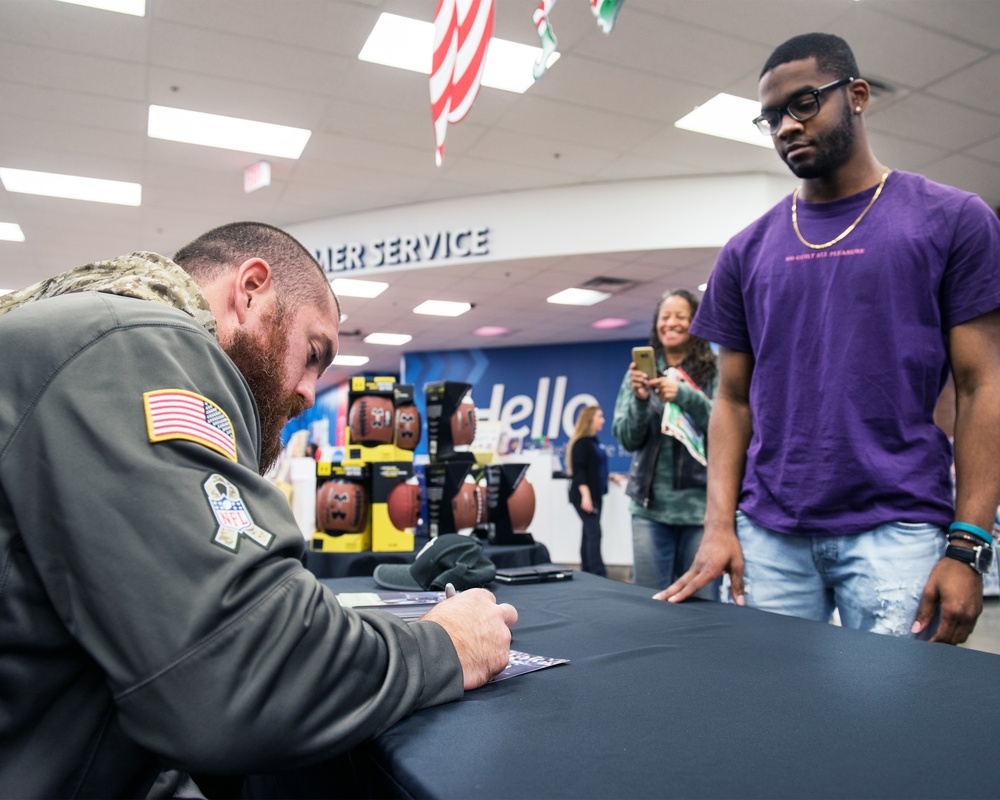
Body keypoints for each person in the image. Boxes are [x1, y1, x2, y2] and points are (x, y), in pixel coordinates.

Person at [0, 221, 517, 798]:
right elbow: (239, 672)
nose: (309, 392)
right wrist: (447, 645)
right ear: (250, 289)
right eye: (314, 352)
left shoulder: (77, 336)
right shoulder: (135, 342)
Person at [658, 33, 1000, 646]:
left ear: (859, 96)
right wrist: (719, 526)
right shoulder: (745, 251)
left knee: (892, 730)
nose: (786, 126)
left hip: (898, 529)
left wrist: (970, 544)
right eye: (771, 117)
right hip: (769, 534)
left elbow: (983, 386)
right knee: (776, 724)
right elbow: (732, 401)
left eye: (805, 103)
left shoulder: (952, 219)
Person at [612, 289, 719, 598]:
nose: (671, 323)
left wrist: (684, 394)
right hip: (650, 510)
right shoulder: (639, 373)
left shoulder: (714, 369)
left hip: (702, 511)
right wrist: (641, 400)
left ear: (695, 322)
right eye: (665, 316)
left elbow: (727, 432)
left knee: (704, 608)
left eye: (680, 317)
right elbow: (627, 438)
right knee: (650, 605)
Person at [566, 405, 609, 576]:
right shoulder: (581, 443)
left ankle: (587, 571)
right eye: (600, 416)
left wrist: (611, 477)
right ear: (590, 419)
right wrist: (586, 496)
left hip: (596, 495)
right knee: (594, 533)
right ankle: (598, 573)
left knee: (588, 533)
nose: (603, 420)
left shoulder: (594, 442)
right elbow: (579, 471)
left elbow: (595, 467)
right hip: (584, 496)